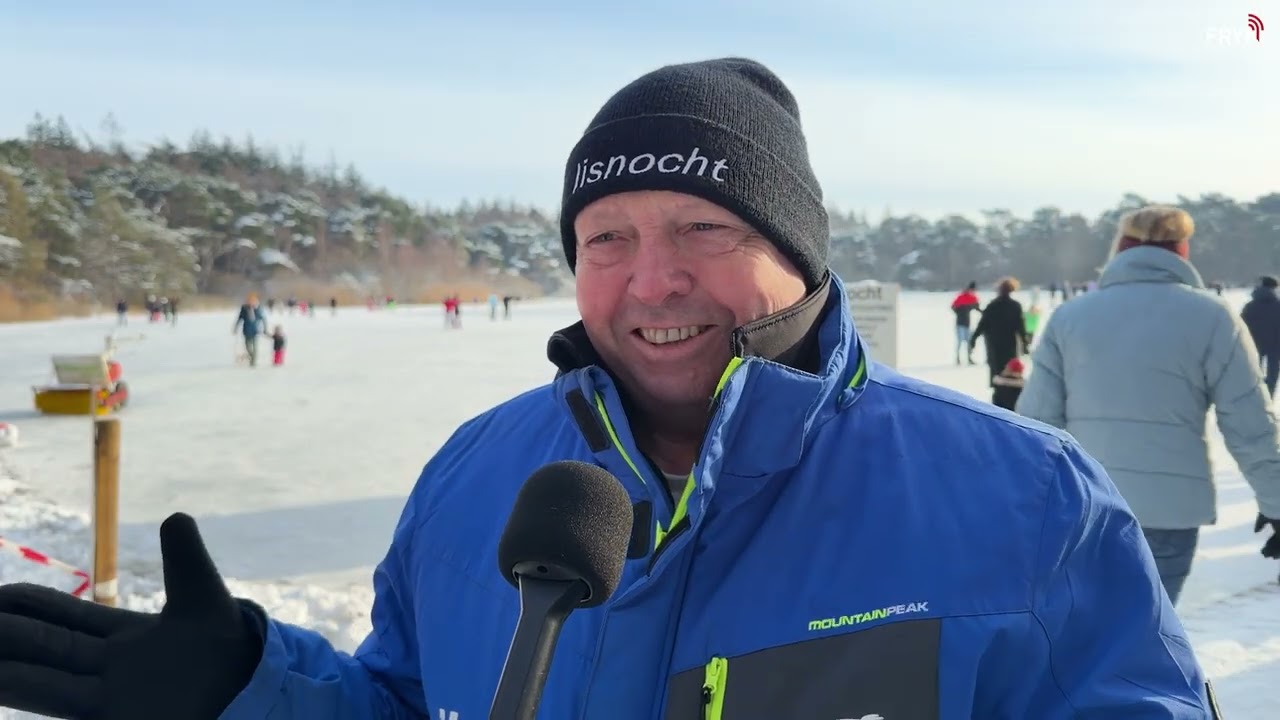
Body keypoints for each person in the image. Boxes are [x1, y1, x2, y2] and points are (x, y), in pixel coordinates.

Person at [0, 57, 1221, 720]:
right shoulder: (479, 476)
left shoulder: (1022, 497)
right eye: (605, 239)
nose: (651, 281)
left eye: (701, 225)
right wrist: (250, 691)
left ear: (798, 252)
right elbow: (410, 703)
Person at [1017, 206, 1280, 605]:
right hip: (1170, 512)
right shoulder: (1213, 317)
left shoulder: (1070, 317)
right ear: (1183, 251)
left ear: (1121, 247)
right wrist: (1275, 500)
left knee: (1086, 640)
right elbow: (1250, 424)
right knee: (1148, 636)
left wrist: (1025, 505)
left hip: (1086, 508)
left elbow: (1037, 426)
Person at [969, 277, 1028, 385]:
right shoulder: (1015, 306)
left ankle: (996, 397)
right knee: (1010, 375)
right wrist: (1025, 344)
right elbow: (1021, 327)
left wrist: (974, 339)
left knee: (996, 374)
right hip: (1009, 345)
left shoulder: (992, 305)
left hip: (993, 345)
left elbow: (982, 324)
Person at [1242, 275, 1280, 397]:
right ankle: (1269, 395)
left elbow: (1241, 326)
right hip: (1275, 344)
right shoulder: (1278, 305)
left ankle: (1256, 396)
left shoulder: (1250, 306)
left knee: (1254, 371)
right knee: (1273, 372)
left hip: (1253, 343)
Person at [949, 281, 981, 365]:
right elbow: (953, 307)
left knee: (966, 342)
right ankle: (959, 359)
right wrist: (959, 311)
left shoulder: (970, 297)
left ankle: (967, 358)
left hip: (966, 323)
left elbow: (976, 307)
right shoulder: (963, 296)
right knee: (961, 342)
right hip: (960, 323)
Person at [232, 293, 267, 367]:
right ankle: (251, 356)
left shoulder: (258, 309)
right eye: (250, 301)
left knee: (255, 346)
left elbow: (263, 319)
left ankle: (253, 361)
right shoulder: (244, 309)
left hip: (255, 330)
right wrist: (235, 327)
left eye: (253, 301)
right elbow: (239, 319)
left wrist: (265, 329)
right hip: (246, 329)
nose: (251, 303)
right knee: (247, 346)